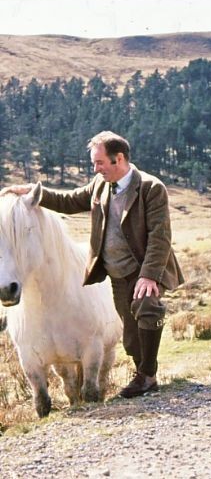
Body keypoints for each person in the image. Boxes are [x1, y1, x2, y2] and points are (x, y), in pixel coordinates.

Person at [1, 131, 184, 398]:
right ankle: (143, 371)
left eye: (99, 162)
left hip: (142, 269)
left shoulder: (150, 188)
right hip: (117, 273)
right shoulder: (100, 184)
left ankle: (147, 376)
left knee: (147, 308)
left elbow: (160, 237)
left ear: (118, 159)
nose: (95, 168)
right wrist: (33, 193)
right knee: (130, 333)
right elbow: (70, 200)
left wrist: (149, 276)